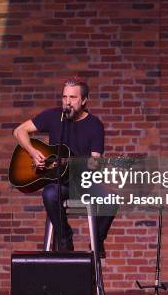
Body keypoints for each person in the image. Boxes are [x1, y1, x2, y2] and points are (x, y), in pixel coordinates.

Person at [13, 77, 114, 257]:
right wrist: (32, 152)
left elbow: (95, 164)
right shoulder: (53, 116)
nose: (67, 102)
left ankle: (97, 242)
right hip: (59, 181)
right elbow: (19, 131)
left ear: (83, 100)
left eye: (73, 98)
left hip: (83, 182)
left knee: (111, 200)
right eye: (64, 97)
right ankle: (64, 237)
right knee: (50, 194)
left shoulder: (94, 125)